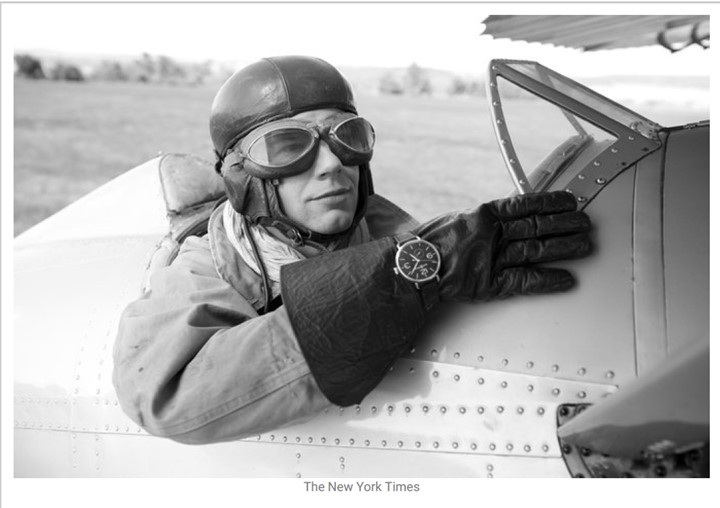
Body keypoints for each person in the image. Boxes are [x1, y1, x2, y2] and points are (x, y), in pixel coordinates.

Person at [112, 55, 592, 444]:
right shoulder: (206, 269)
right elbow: (165, 398)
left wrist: (420, 260)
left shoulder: (394, 231)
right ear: (241, 177)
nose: (331, 166)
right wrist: (405, 275)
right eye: (287, 146)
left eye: (347, 137)